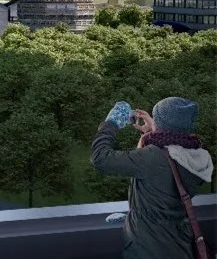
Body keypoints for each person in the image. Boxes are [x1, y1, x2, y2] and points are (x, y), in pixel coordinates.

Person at [91, 97, 212, 259]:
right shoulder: (196, 156)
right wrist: (152, 132)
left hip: (149, 246)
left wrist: (111, 123)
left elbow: (100, 158)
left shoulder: (152, 158)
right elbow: (163, 179)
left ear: (163, 124)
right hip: (179, 244)